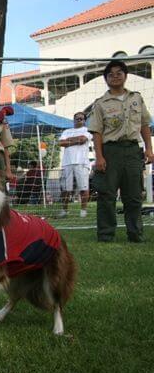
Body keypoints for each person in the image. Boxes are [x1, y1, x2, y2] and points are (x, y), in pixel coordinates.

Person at [88, 60, 154, 242]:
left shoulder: (136, 98)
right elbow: (97, 132)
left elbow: (144, 124)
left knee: (133, 196)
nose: (115, 77)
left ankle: (135, 234)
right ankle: (106, 235)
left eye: (119, 73)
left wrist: (149, 149)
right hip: (110, 151)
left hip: (133, 150)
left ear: (125, 76)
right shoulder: (100, 103)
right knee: (107, 195)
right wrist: (99, 156)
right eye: (110, 74)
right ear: (106, 79)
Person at [58, 112, 93, 218]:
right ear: (73, 120)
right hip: (67, 163)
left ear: (84, 120)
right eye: (77, 118)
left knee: (83, 188)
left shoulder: (87, 130)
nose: (79, 120)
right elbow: (60, 143)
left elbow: (83, 140)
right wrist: (76, 140)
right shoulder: (66, 131)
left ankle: (83, 211)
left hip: (81, 162)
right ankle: (64, 210)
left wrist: (68, 141)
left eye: (81, 119)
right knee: (65, 189)